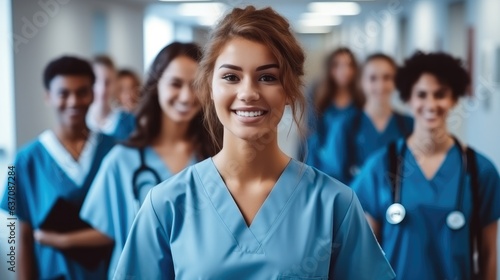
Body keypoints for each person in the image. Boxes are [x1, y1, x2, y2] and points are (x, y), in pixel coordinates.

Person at [113, 6, 395, 280]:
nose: (248, 92)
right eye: (231, 77)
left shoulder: (334, 205)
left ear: (289, 90)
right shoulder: (167, 205)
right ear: (209, 87)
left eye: (267, 77)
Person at [352, 52, 499, 280]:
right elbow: (365, 253)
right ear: (408, 99)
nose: (431, 104)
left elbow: (489, 255)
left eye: (440, 95)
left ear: (453, 99)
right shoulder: (381, 166)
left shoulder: (480, 171)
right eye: (421, 95)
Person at [77, 42, 214, 279]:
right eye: (175, 83)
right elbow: (107, 231)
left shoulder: (216, 157)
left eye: (195, 85)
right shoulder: (121, 161)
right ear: (155, 85)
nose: (186, 96)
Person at [0, 56, 115, 280]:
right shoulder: (23, 160)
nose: (73, 101)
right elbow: (19, 234)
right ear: (48, 96)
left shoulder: (114, 150)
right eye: (63, 94)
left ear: (93, 93)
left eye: (82, 92)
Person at [330, 54, 413, 184]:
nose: (380, 85)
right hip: (356, 201)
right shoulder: (346, 125)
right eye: (373, 78)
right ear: (361, 82)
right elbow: (333, 175)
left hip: (399, 203)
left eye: (387, 78)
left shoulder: (408, 125)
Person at [305, 47, 363, 173]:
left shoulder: (361, 99)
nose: (345, 71)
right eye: (338, 65)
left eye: (349, 65)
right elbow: (309, 133)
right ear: (330, 69)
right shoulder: (319, 96)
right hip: (320, 164)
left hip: (350, 168)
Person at [87, 55, 135, 141]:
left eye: (108, 82)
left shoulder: (129, 121)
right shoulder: (79, 121)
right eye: (96, 81)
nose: (102, 89)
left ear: (116, 83)